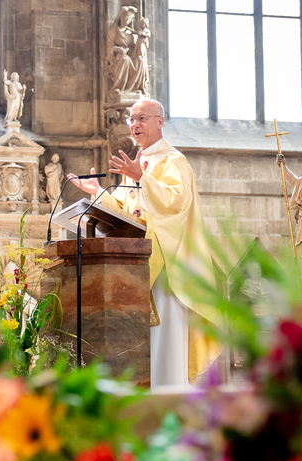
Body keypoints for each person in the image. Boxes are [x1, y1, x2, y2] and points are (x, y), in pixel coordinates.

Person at [67, 98, 219, 388]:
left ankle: (170, 398)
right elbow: (124, 212)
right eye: (131, 119)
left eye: (142, 118)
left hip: (166, 269)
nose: (134, 125)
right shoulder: (137, 165)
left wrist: (142, 178)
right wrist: (97, 192)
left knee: (166, 342)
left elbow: (176, 204)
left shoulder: (174, 162)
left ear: (160, 121)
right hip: (135, 267)